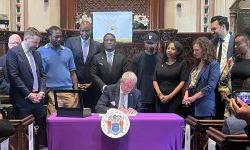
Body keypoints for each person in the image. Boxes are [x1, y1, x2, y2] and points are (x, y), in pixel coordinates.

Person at [6, 27, 46, 144]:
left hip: (38, 99)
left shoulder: (37, 54)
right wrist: (29, 95)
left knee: (38, 132)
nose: (37, 45)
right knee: (24, 135)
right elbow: (14, 77)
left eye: (38, 42)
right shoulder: (13, 53)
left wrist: (42, 91)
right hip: (23, 101)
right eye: (35, 42)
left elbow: (43, 75)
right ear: (26, 39)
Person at [38, 26, 78, 116]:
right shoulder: (40, 51)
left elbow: (73, 73)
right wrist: (42, 89)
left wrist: (76, 91)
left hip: (68, 90)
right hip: (51, 91)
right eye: (56, 37)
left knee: (72, 119)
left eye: (60, 36)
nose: (59, 39)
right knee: (54, 121)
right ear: (49, 37)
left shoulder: (68, 51)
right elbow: (38, 74)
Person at [65, 21, 101, 110]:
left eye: (87, 31)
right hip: (74, 84)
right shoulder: (70, 42)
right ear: (79, 30)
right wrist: (75, 83)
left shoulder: (98, 45)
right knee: (76, 111)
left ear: (91, 31)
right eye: (82, 31)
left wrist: (92, 82)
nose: (84, 33)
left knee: (90, 111)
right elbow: (67, 62)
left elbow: (98, 66)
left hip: (92, 85)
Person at [182, 37, 220, 119]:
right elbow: (190, 83)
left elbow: (211, 86)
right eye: (193, 50)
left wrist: (193, 97)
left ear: (205, 50)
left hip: (204, 107)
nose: (194, 52)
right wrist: (186, 97)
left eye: (197, 50)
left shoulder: (213, 64)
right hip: (191, 106)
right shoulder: (196, 64)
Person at [90, 33, 127, 106]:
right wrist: (103, 86)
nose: (109, 42)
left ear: (115, 43)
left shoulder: (122, 58)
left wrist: (115, 87)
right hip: (100, 92)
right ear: (103, 43)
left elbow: (125, 74)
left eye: (111, 40)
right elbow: (93, 74)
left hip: (117, 92)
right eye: (106, 40)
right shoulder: (97, 57)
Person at [153, 41, 188, 114]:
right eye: (168, 48)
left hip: (174, 99)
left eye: (173, 49)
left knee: (171, 122)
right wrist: (160, 95)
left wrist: (170, 96)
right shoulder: (160, 62)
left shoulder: (182, 63)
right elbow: (154, 80)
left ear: (178, 51)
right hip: (159, 99)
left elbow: (183, 82)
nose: (169, 50)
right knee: (159, 122)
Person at [210, 16, 234, 119]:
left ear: (223, 27)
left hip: (229, 85)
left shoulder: (235, 43)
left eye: (214, 29)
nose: (212, 32)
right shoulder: (212, 42)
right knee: (216, 114)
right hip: (214, 83)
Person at [131, 32, 162, 112]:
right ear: (144, 43)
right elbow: (133, 78)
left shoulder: (162, 58)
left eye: (152, 43)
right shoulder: (137, 58)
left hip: (157, 97)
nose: (150, 46)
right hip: (141, 96)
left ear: (157, 44)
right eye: (148, 43)